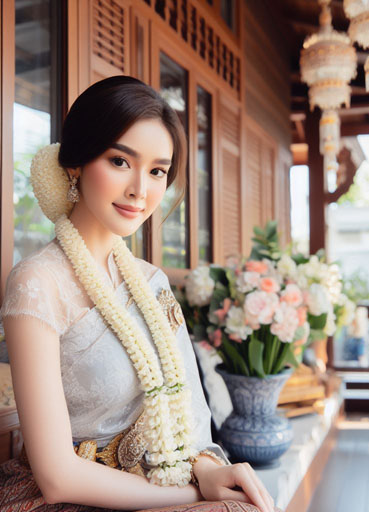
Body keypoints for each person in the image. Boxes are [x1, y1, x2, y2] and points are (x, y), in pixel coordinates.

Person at [0, 76, 275, 512]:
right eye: (119, 161)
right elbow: (56, 477)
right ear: (75, 163)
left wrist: (209, 472)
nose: (140, 191)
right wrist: (190, 495)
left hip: (160, 481)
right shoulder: (37, 283)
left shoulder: (152, 283)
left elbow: (192, 416)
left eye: (157, 171)